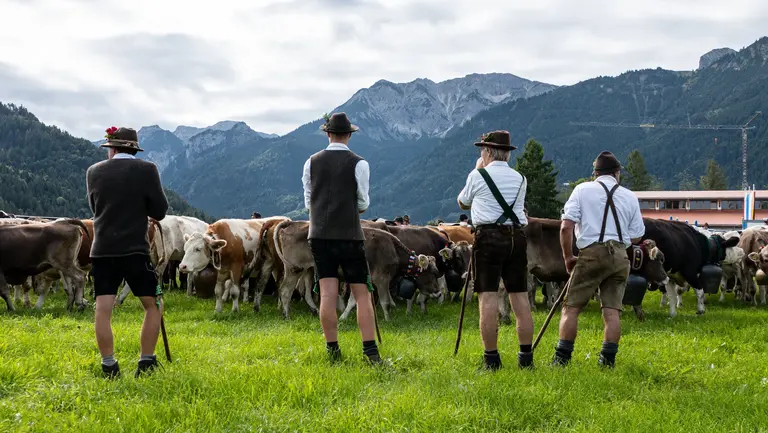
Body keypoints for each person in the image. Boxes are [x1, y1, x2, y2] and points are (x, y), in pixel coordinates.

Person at [86, 126, 169, 378]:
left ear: (111, 149)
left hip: (102, 250)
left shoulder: (94, 172)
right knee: (153, 305)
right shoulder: (147, 170)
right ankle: (146, 362)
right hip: (135, 250)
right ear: (133, 148)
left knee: (103, 308)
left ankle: (109, 365)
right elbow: (160, 211)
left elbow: (94, 207)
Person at [301, 112, 380, 365]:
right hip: (349, 235)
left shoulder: (310, 162)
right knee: (362, 294)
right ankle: (370, 353)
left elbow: (308, 201)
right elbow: (363, 203)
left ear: (327, 133)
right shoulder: (360, 163)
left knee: (326, 294)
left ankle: (332, 351)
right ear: (349, 135)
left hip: (319, 235)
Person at [554, 151, 645, 368]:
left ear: (595, 173)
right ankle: (607, 361)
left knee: (571, 307)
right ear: (617, 173)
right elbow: (637, 235)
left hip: (592, 254)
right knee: (612, 309)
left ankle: (561, 360)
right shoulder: (629, 196)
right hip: (620, 256)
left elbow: (566, 227)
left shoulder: (582, 190)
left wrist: (568, 257)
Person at [457, 130, 533, 370]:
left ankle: (491, 359)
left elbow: (462, 202)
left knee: (487, 296)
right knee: (519, 297)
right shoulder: (521, 178)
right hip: (517, 237)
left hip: (488, 238)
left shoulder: (478, 175)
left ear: (488, 151)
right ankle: (525, 358)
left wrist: (477, 168)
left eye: (482, 150)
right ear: (507, 154)